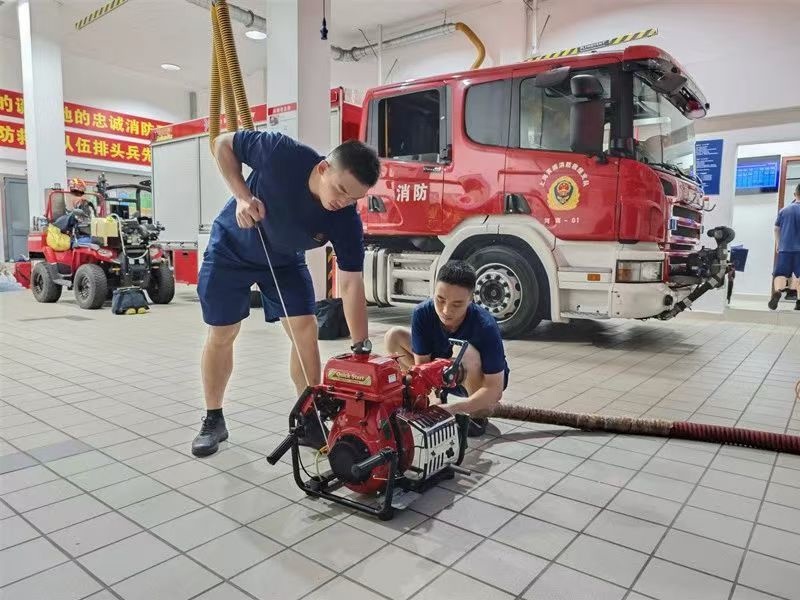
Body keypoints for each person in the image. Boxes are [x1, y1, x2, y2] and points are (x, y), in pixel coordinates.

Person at [191, 131, 380, 457]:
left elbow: (351, 283)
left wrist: (361, 346)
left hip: (284, 261)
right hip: (230, 250)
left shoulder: (345, 219)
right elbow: (222, 144)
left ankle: (308, 417)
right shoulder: (282, 153)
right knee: (223, 333)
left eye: (354, 199)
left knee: (305, 329)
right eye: (341, 190)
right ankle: (214, 419)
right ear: (323, 168)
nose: (343, 202)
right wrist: (242, 196)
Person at [384, 260, 509, 436]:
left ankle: (475, 415)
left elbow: (494, 389)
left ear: (471, 299)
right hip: (442, 374)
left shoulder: (485, 326)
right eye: (440, 300)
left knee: (467, 353)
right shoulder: (422, 313)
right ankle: (429, 399)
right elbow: (422, 367)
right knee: (394, 336)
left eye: (457, 304)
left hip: (478, 379)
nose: (446, 311)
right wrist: (432, 399)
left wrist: (454, 408)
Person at [768, 183, 800, 311]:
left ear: (795, 194)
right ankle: (799, 302)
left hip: (785, 249)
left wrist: (778, 243)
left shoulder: (784, 210)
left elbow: (776, 229)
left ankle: (777, 292)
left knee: (780, 274)